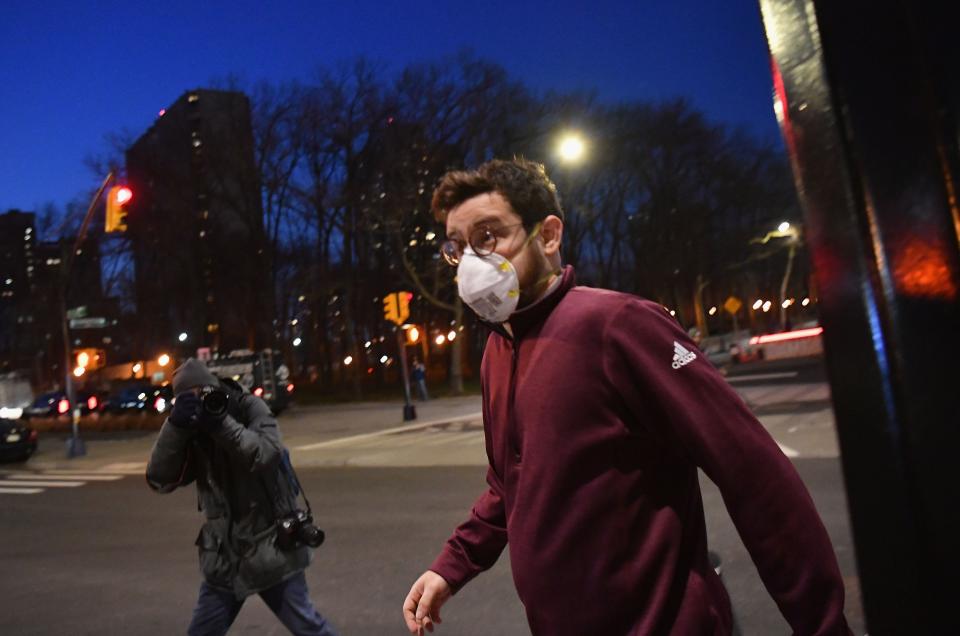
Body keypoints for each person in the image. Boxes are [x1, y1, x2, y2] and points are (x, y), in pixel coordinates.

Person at [402, 159, 850, 635]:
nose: (473, 261)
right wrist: (452, 565)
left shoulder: (620, 326)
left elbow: (752, 471)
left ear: (549, 235)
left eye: (489, 236)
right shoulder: (499, 348)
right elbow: (509, 483)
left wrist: (822, 625)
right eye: (460, 247)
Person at [147, 358, 337, 636]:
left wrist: (220, 423)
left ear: (215, 389)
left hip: (271, 550)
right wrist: (174, 427)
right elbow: (159, 479)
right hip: (225, 559)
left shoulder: (247, 407)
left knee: (309, 627)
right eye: (191, 400)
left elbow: (265, 453)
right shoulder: (189, 430)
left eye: (204, 395)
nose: (201, 403)